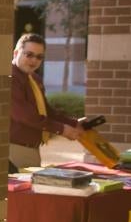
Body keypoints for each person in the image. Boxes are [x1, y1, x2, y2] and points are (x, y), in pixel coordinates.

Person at [9, 32, 83, 169]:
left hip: (32, 148)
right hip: (14, 149)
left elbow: (47, 111)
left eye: (39, 57)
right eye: (29, 55)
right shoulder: (10, 79)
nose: (33, 61)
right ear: (15, 53)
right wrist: (61, 129)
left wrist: (74, 123)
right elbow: (25, 116)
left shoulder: (34, 78)